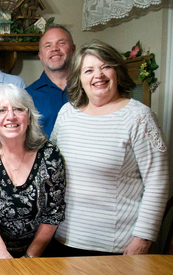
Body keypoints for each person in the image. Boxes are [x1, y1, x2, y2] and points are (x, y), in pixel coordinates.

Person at [50, 40, 169, 256]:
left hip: (117, 245)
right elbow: (51, 168)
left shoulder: (139, 118)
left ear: (117, 72)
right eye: (89, 70)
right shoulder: (67, 113)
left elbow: (158, 183)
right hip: (64, 238)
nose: (98, 76)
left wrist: (143, 239)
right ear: (79, 78)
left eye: (106, 67)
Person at [0, 84, 66, 259]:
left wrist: (29, 257)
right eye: (2, 110)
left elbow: (53, 212)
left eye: (18, 109)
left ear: (29, 117)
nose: (10, 117)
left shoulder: (49, 154)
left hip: (40, 251)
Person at [26, 25, 76, 137]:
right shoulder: (27, 96)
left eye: (61, 43)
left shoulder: (89, 89)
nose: (54, 49)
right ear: (41, 55)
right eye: (48, 45)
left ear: (73, 49)